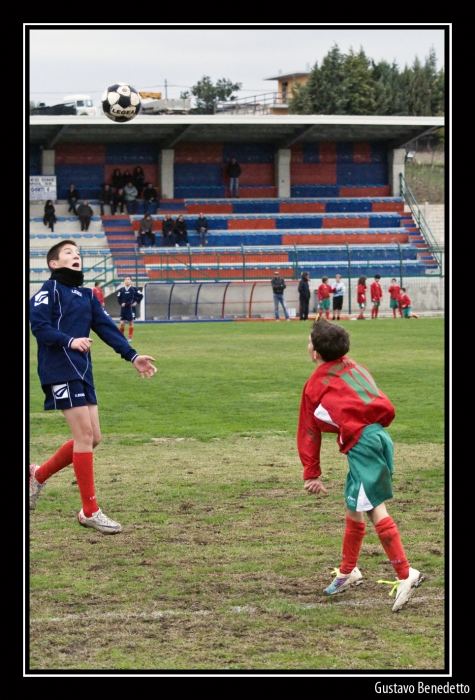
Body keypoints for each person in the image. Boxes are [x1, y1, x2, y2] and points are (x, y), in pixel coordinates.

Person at [29, 240, 157, 534]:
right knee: (84, 435)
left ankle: (38, 474)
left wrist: (133, 356)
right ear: (53, 263)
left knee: (93, 437)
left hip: (82, 371)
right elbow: (38, 326)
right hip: (58, 369)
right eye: (68, 253)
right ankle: (90, 511)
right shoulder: (48, 291)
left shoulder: (87, 295)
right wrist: (69, 340)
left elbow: (107, 329)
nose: (76, 256)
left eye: (78, 253)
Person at [297, 317, 424, 611]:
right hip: (375, 438)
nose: (307, 345)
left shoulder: (315, 385)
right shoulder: (354, 366)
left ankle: (406, 573)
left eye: (309, 341)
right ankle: (348, 571)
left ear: (315, 352)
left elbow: (309, 430)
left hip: (363, 444)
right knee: (354, 506)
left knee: (373, 508)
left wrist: (311, 473)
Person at [117, 275, 143, 342]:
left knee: (131, 322)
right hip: (123, 309)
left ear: (131, 281)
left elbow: (141, 296)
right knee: (122, 323)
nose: (127, 280)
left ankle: (130, 337)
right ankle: (121, 337)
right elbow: (119, 298)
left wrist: (136, 302)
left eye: (128, 279)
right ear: (124, 281)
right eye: (126, 279)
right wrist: (121, 303)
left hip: (130, 308)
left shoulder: (134, 289)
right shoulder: (122, 290)